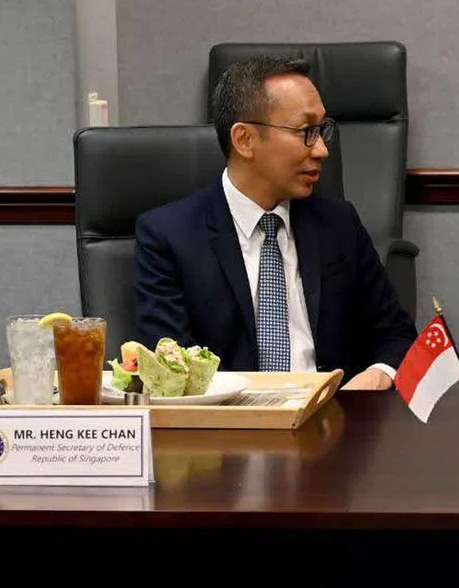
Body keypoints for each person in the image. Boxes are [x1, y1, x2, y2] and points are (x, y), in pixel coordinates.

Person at [134, 55, 416, 390]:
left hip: (335, 415)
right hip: (228, 418)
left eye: (322, 130)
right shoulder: (168, 236)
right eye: (306, 132)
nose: (322, 149)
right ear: (245, 140)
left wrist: (375, 378)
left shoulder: (338, 224)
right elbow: (170, 367)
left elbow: (397, 336)